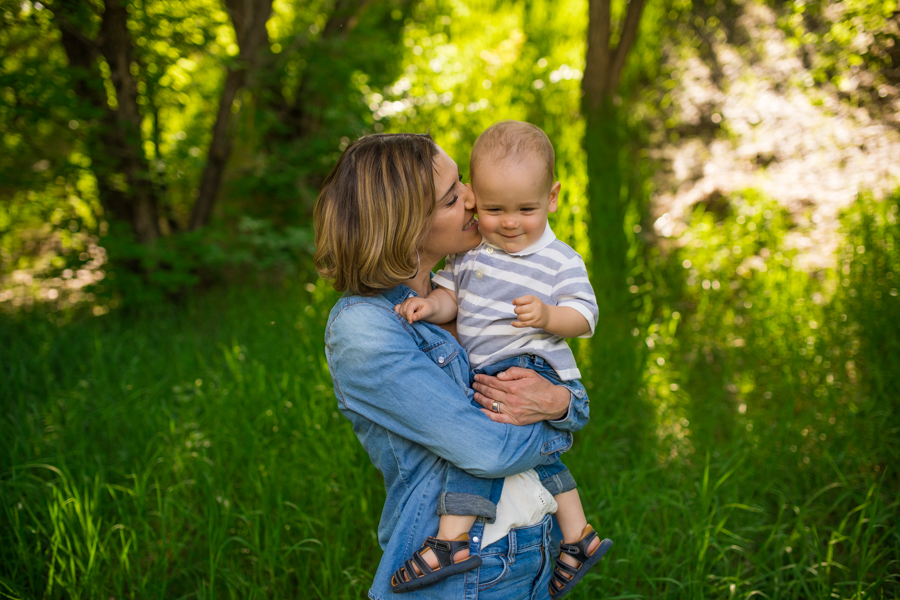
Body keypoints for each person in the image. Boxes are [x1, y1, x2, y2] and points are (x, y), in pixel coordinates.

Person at [314, 132, 591, 600]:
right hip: (464, 573)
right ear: (405, 226)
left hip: (532, 549)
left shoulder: (474, 296)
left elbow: (542, 385)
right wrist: (567, 414)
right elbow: (489, 451)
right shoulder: (365, 327)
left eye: (462, 181)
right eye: (450, 198)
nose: (471, 197)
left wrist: (560, 399)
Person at [393, 121, 612, 597]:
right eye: (494, 209)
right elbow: (454, 299)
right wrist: (430, 306)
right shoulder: (473, 256)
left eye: (525, 209)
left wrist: (550, 315)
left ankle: (451, 540)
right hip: (488, 368)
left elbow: (586, 315)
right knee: (537, 456)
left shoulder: (559, 259)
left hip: (531, 362)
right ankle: (578, 536)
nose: (509, 222)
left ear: (552, 198)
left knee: (477, 447)